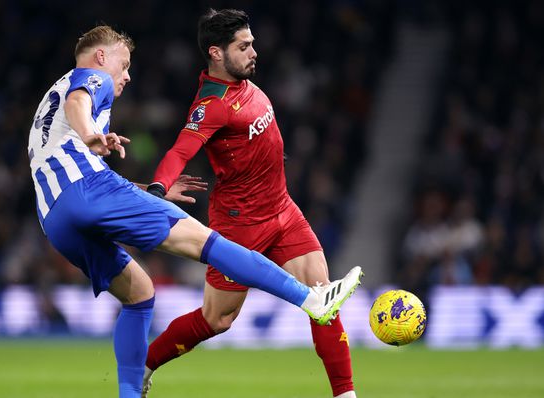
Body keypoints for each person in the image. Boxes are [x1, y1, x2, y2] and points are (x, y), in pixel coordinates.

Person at [27, 25, 362, 398]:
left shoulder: (50, 100)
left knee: (139, 294)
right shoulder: (91, 77)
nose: (126, 75)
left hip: (55, 215)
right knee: (205, 244)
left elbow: (78, 169)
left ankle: (130, 391)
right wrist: (92, 135)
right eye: (124, 65)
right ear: (103, 57)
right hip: (106, 193)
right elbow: (81, 106)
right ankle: (309, 299)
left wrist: (143, 191)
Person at [143, 9, 359, 398]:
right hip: (240, 226)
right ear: (216, 53)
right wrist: (158, 189)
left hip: (284, 210)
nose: (254, 52)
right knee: (216, 320)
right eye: (244, 46)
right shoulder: (210, 106)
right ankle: (142, 365)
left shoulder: (245, 83)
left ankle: (346, 395)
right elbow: (179, 151)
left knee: (323, 299)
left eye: (252, 43)